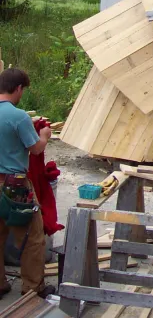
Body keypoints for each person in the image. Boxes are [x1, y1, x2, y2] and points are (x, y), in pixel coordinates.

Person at [0, 69, 54, 298]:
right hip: (14, 186)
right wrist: (44, 136)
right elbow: (35, 149)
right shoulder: (18, 116)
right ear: (19, 88)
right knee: (33, 237)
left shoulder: (18, 118)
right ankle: (33, 288)